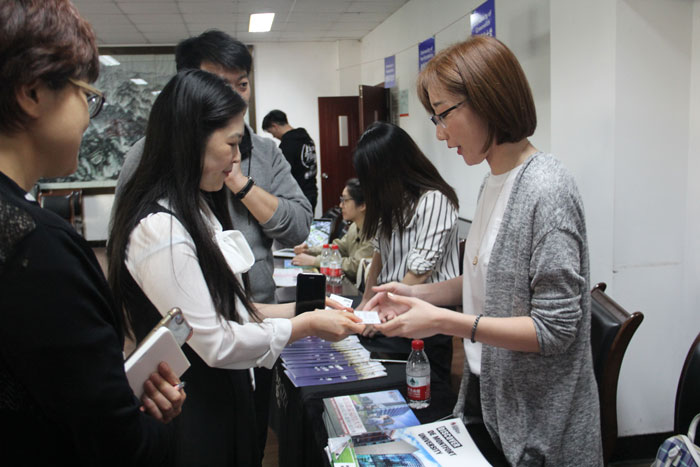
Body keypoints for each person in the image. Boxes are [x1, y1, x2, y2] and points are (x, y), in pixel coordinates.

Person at [108, 69, 364, 467]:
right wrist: (306, 325)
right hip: (195, 410)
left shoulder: (196, 207)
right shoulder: (160, 230)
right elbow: (217, 341)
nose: (236, 159)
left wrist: (307, 309)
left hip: (224, 397)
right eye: (231, 144)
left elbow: (231, 308)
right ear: (191, 139)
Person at [368, 36, 603, 466]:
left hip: (538, 427)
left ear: (487, 100)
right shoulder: (492, 181)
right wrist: (415, 294)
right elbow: (489, 279)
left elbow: (554, 330)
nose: (440, 133)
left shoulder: (546, 188)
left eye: (443, 115)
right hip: (490, 400)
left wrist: (442, 320)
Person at [0, 1, 185, 465]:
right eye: (85, 95)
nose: (88, 116)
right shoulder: (36, 248)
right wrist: (150, 418)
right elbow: (117, 443)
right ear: (32, 92)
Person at [354, 122, 461, 382]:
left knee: (420, 386)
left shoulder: (435, 200)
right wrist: (365, 304)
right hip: (389, 307)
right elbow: (379, 257)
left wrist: (381, 310)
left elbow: (419, 271)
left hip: (424, 317)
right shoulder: (391, 201)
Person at [291, 178, 372, 283]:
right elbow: (339, 247)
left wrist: (315, 261)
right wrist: (309, 250)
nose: (341, 205)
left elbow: (355, 265)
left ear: (362, 205)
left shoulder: (374, 232)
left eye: (345, 200)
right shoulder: (354, 226)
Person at [262, 109, 319, 212]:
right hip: (312, 191)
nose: (273, 136)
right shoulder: (307, 139)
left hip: (297, 196)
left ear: (275, 126)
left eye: (271, 132)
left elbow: (282, 174)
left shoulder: (287, 144)